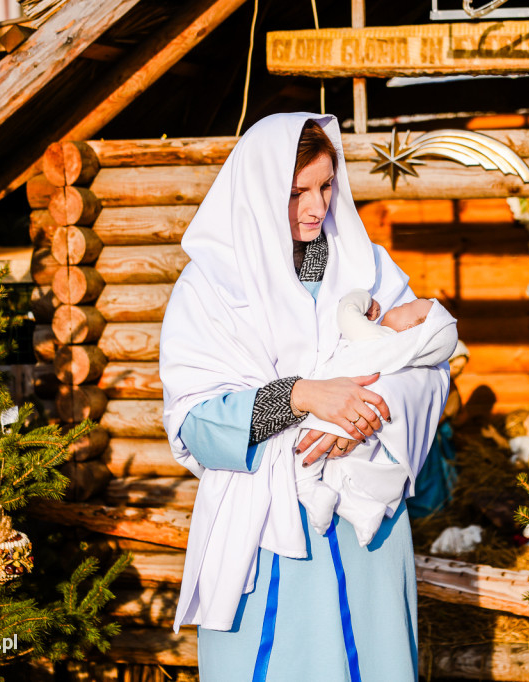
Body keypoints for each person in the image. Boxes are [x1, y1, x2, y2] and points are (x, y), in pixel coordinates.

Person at [160, 113, 449, 681]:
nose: (316, 206)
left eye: (325, 186)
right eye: (296, 193)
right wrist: (301, 396)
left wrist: (366, 415)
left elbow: (426, 363)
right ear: (261, 191)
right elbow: (195, 422)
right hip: (269, 532)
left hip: (367, 526)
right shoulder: (210, 288)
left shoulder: (365, 266)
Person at [294, 288, 457, 546]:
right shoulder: (408, 360)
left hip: (334, 413)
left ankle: (309, 489)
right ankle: (362, 511)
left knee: (303, 453)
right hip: (367, 430)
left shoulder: (385, 339)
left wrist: (361, 299)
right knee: (347, 474)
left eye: (410, 306)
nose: (403, 302)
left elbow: (346, 314)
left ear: (413, 329)